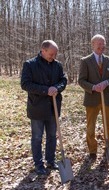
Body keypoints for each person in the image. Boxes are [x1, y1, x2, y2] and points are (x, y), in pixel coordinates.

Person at [21, 40, 67, 175]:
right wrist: (46, 90)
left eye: (55, 54)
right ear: (43, 50)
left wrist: (56, 88)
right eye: (51, 53)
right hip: (37, 108)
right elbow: (25, 84)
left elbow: (63, 80)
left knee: (52, 136)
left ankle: (51, 161)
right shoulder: (30, 65)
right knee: (37, 137)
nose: (53, 56)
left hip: (54, 107)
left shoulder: (58, 65)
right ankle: (38, 164)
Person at [78, 34, 109, 160]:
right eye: (99, 44)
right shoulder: (85, 61)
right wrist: (93, 87)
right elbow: (81, 80)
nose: (101, 46)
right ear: (93, 45)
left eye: (103, 43)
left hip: (106, 98)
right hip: (91, 99)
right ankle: (92, 151)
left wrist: (106, 83)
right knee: (91, 127)